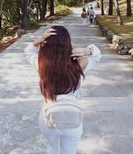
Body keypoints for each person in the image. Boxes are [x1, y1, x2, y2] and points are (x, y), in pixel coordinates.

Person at [25, 25, 101, 154]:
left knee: (52, 148)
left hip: (48, 116)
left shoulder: (42, 65)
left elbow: (28, 52)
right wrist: (87, 51)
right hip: (72, 116)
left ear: (45, 45)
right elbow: (97, 55)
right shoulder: (79, 64)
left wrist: (37, 41)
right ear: (68, 43)